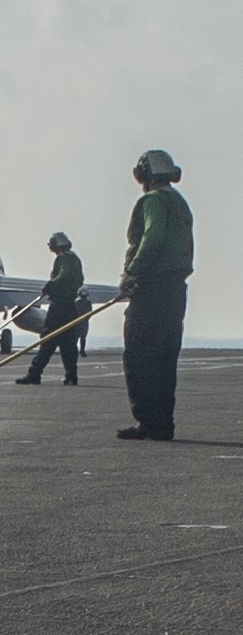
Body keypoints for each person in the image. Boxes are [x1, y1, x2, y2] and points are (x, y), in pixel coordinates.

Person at [117, 150, 194, 441]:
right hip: (175, 290)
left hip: (151, 289)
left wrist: (133, 273)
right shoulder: (179, 202)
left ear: (144, 174)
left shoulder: (152, 201)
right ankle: (162, 423)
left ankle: (148, 421)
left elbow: (152, 238)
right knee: (165, 357)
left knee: (139, 355)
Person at [16, 233, 84, 386]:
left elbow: (63, 275)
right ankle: (71, 375)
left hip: (59, 307)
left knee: (47, 339)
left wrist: (51, 285)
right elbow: (80, 280)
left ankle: (34, 374)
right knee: (68, 343)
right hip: (71, 307)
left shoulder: (62, 259)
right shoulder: (75, 259)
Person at [75, 287, 92, 356]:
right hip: (82, 321)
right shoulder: (87, 302)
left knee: (78, 337)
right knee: (82, 337)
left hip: (79, 321)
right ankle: (82, 351)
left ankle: (78, 351)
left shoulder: (77, 302)